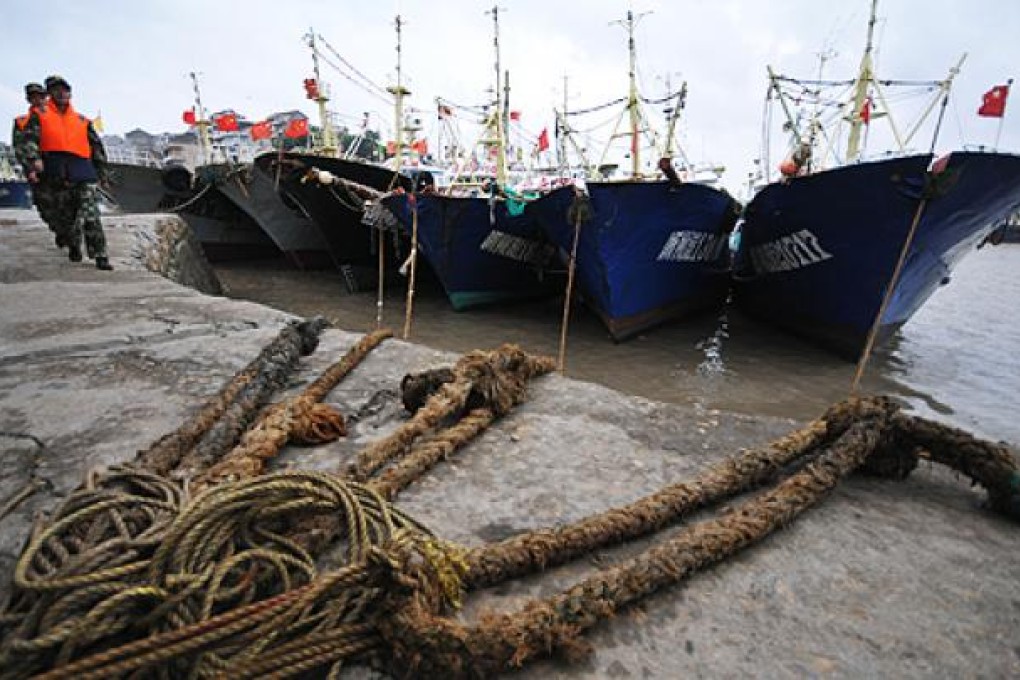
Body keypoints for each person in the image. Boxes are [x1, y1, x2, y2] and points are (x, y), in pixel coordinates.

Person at [18, 75, 112, 270]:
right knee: (66, 217)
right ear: (50, 94)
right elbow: (29, 140)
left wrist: (103, 174)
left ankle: (100, 255)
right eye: (56, 90)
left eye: (65, 90)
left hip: (83, 170)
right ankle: (73, 243)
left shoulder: (82, 120)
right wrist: (33, 160)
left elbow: (97, 148)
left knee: (91, 214)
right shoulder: (39, 115)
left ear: (70, 93)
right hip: (55, 172)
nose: (61, 93)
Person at [11, 83, 59, 236]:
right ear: (28, 99)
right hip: (37, 169)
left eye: (40, 96)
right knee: (45, 206)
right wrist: (30, 169)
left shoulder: (58, 118)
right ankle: (60, 231)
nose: (38, 100)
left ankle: (73, 236)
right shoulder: (22, 121)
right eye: (33, 97)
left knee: (67, 204)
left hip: (59, 166)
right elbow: (19, 148)